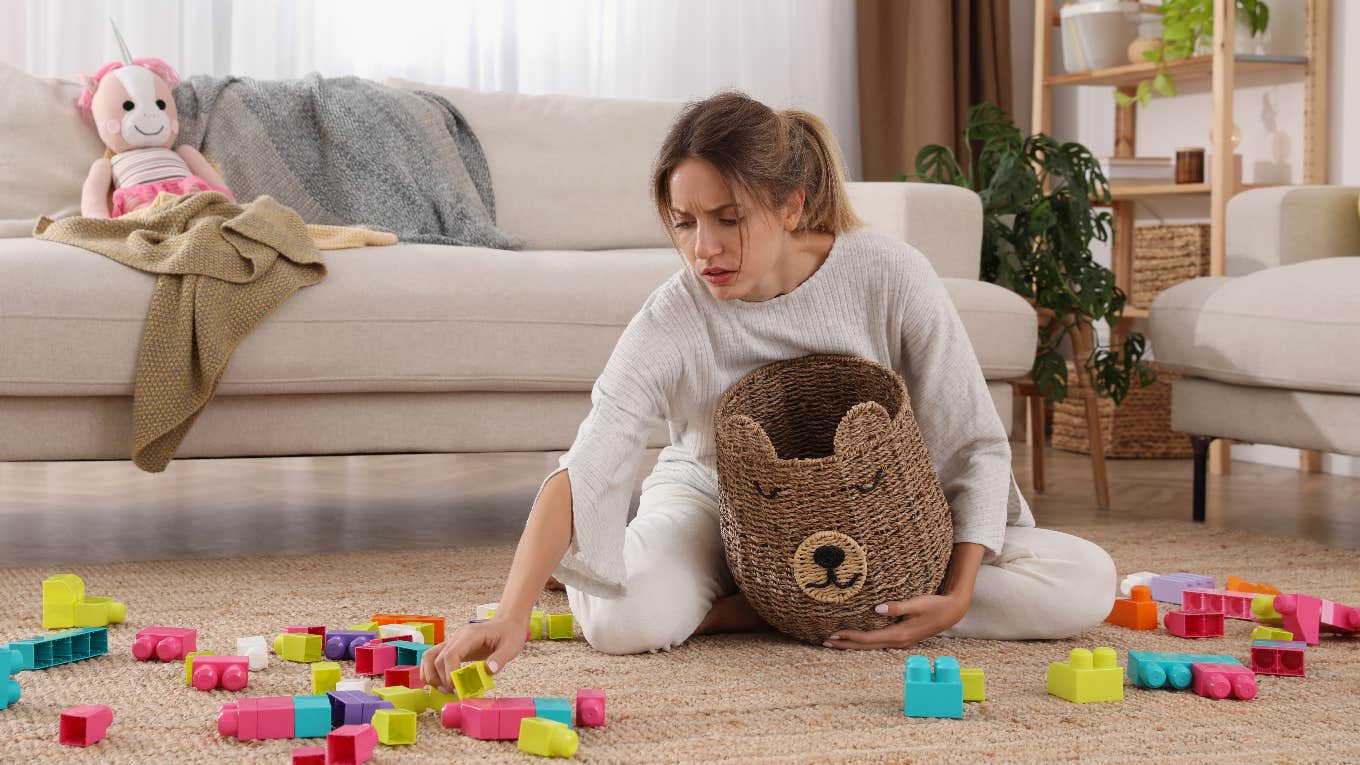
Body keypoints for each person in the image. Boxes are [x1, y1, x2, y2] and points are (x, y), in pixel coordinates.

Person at [422, 90, 1116, 692]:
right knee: (620, 620)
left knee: (1089, 580)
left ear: (791, 206)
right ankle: (778, 594)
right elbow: (592, 454)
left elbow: (971, 442)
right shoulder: (675, 314)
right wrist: (511, 614)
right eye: (685, 221)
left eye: (729, 218)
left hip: (874, 515)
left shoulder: (889, 275)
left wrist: (958, 595)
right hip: (716, 503)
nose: (704, 250)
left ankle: (753, 608)